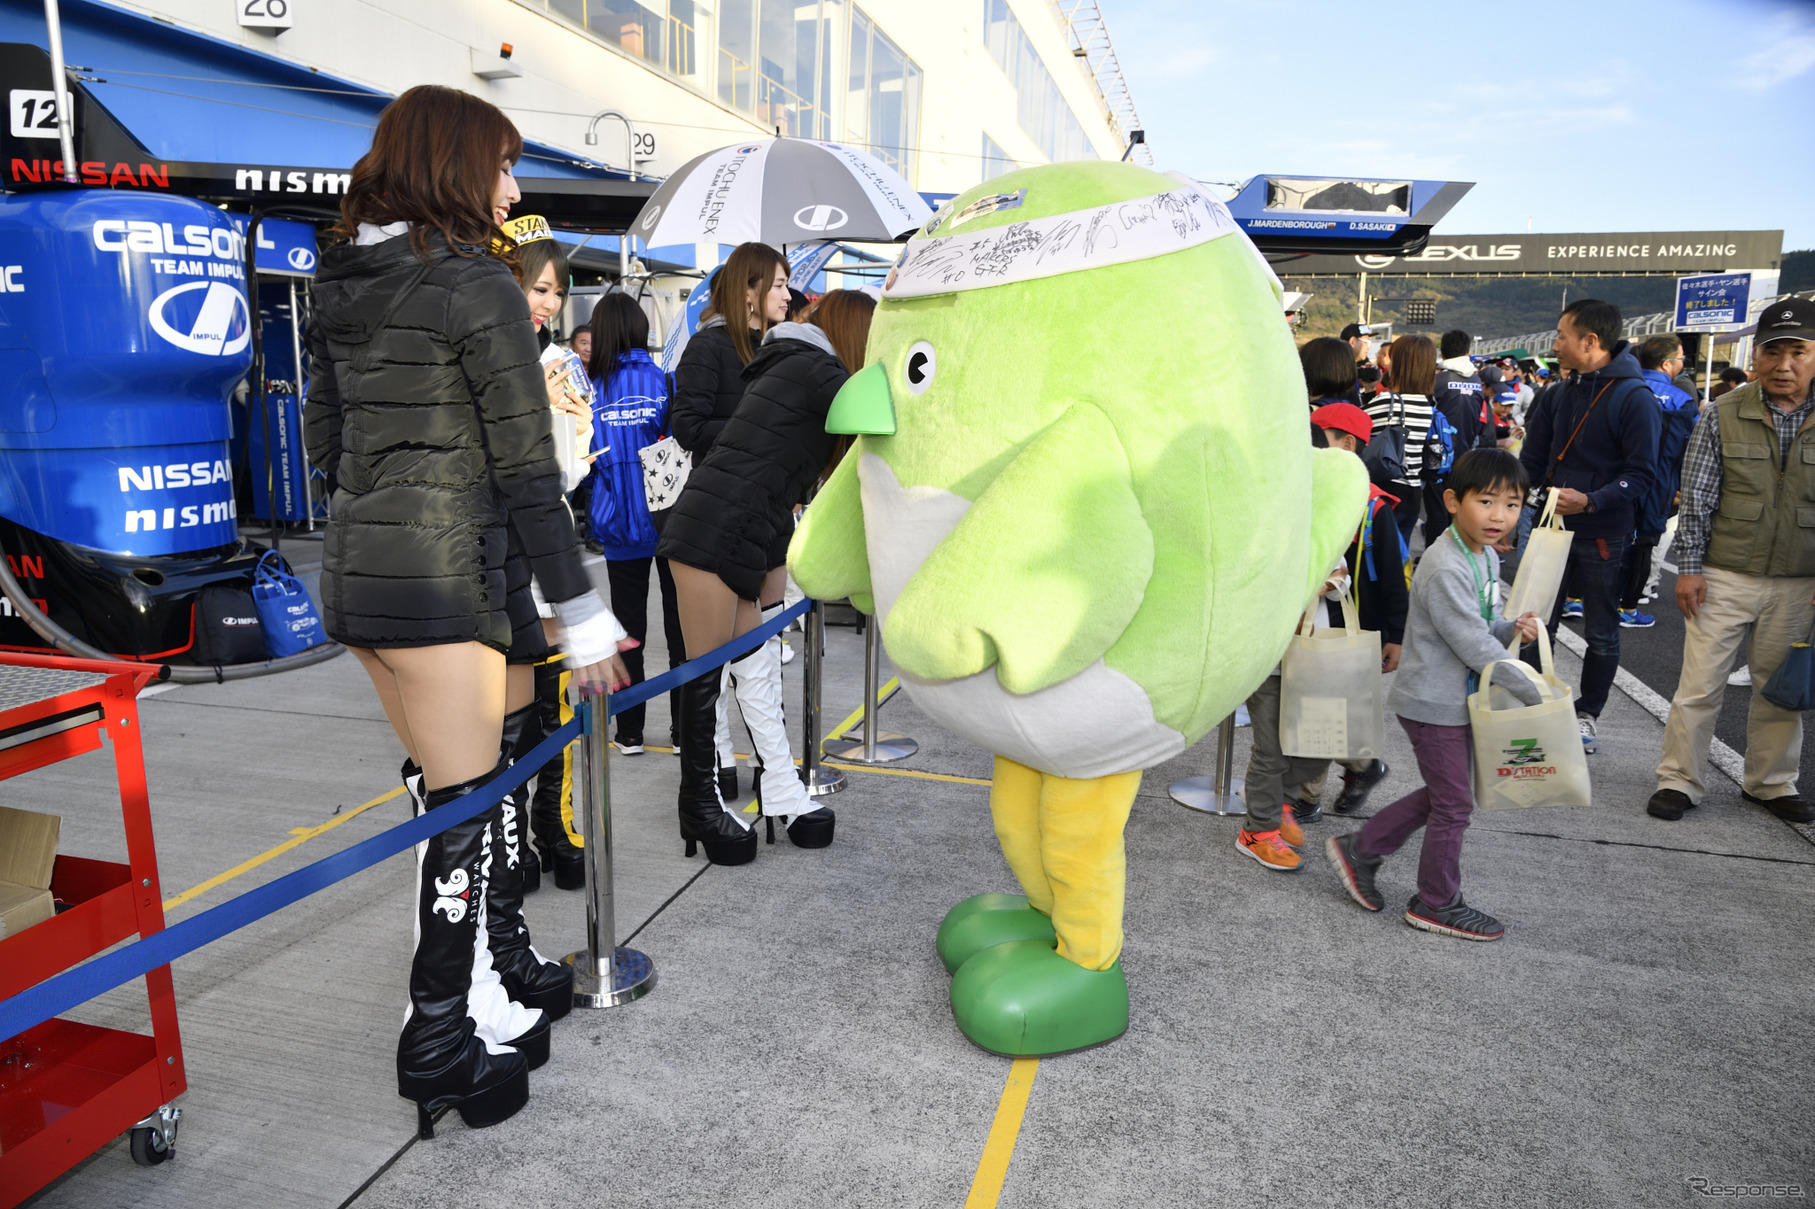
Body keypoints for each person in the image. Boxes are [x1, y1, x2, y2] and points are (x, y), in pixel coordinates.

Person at [304, 85, 630, 1132]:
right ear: (454, 165)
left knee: (446, 800)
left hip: (361, 580)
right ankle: (437, 1039)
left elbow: (323, 444)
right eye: (500, 165)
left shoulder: (343, 276)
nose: (514, 187)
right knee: (463, 813)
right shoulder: (472, 286)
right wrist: (581, 618)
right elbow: (529, 472)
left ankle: (474, 1002)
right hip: (443, 588)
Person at [657, 289, 875, 863]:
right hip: (711, 530)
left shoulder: (791, 363)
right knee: (704, 682)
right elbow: (882, 423)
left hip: (751, 532)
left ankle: (779, 786)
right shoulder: (816, 369)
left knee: (756, 670)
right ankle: (698, 803)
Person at [1326, 448, 1542, 941]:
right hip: (1434, 704)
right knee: (1454, 805)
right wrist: (1532, 691)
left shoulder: (1483, 555)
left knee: (1448, 796)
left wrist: (1510, 627)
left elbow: (1478, 626)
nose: (1499, 516)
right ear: (1451, 500)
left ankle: (1362, 847)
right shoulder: (1447, 564)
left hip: (1456, 701)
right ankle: (1436, 902)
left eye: (1512, 505)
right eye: (1486, 501)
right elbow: (1469, 643)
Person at [1647, 298, 1815, 825]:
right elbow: (1696, 495)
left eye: (1797, 351)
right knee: (1699, 686)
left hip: (1798, 580)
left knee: (1780, 690)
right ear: (1756, 356)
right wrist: (1690, 567)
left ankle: (1770, 783)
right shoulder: (1723, 410)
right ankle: (1679, 779)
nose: (1782, 365)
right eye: (1772, 352)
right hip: (1723, 574)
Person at [671, 242, 791, 800]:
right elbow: (687, 426)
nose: (787, 295)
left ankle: (776, 770)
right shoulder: (707, 347)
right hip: (717, 517)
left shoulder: (779, 350)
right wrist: (755, 429)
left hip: (769, 516)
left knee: (764, 651)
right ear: (749, 290)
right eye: (778, 285)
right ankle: (715, 762)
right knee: (712, 660)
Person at [1516, 299, 1660, 754]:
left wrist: (1593, 500)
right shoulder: (1558, 392)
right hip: (1549, 525)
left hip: (1605, 532)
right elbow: (1533, 460)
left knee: (1600, 630)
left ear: (1590, 341)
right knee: (1535, 622)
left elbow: (1642, 475)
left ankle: (1587, 714)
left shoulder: (1634, 397)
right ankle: (1535, 706)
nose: (1555, 345)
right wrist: (1511, 509)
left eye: (1561, 336)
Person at [585, 292, 685, 761]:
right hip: (668, 524)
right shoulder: (665, 382)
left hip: (616, 527)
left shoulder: (590, 391)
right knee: (679, 629)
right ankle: (686, 729)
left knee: (629, 633)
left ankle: (630, 733)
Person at [1308, 402, 1408, 815]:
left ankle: (1308, 794)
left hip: (1354, 630)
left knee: (1321, 711)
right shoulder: (1309, 491)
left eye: (1319, 439)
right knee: (1311, 707)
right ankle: (1356, 769)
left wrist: (1395, 637)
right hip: (1312, 624)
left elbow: (1393, 577)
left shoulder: (1373, 508)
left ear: (1347, 444)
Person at [1619, 335, 1698, 628]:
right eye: (1680, 359)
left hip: (1618, 481)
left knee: (1608, 538)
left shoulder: (1623, 389)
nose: (1682, 365)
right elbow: (1691, 449)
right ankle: (1627, 608)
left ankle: (1580, 598)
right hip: (1658, 483)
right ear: (1667, 363)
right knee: (1644, 544)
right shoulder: (1682, 400)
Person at [1363, 334, 1440, 547]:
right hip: (1414, 496)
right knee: (1399, 562)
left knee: (1374, 563)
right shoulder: (1429, 406)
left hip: (1387, 494)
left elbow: (1356, 428)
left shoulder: (1388, 403)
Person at [1428, 329, 1487, 545]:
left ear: (1442, 354)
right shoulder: (1477, 382)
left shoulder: (1437, 382)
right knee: (1458, 509)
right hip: (1465, 458)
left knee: (1436, 510)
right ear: (1468, 352)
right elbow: (1482, 425)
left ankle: (1433, 555)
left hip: (1437, 458)